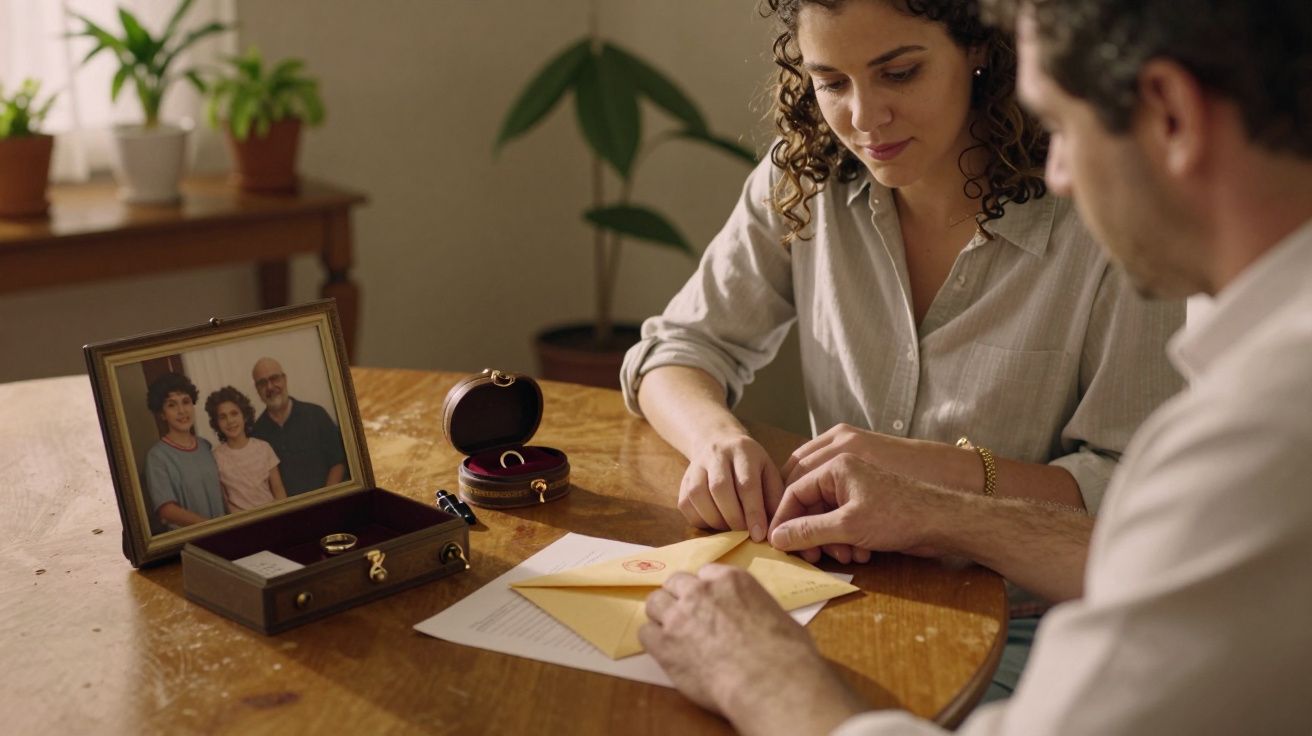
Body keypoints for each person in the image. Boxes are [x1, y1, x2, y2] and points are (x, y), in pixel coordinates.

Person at [638, 0, 1312, 733]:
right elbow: (679, 345)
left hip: (1017, 625)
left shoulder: (1265, 424)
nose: (1060, 175)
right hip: (857, 593)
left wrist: (759, 673)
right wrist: (934, 510)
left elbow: (1135, 520)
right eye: (830, 81)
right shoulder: (1260, 380)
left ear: (1171, 114)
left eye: (1061, 128)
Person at [249, 357, 347, 496]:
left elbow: (338, 462)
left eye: (274, 378)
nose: (270, 386)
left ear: (284, 379)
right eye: (263, 383)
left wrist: (326, 499)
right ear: (257, 389)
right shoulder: (256, 434)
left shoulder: (316, 414)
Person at [143, 372, 227, 529]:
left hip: (223, 535)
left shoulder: (205, 446)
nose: (182, 411)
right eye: (172, 405)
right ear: (162, 414)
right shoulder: (157, 457)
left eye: (186, 402)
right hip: (191, 542)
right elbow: (167, 510)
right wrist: (210, 527)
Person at [204, 386, 288, 512]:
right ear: (217, 423)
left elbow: (279, 490)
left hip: (272, 515)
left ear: (244, 416)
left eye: (234, 413)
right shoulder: (215, 457)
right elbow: (225, 502)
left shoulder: (263, 448)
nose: (230, 421)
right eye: (223, 417)